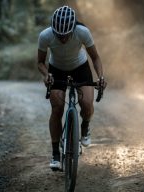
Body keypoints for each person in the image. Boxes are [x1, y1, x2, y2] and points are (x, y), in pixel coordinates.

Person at [37, 5, 106, 170]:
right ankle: (55, 154)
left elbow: (95, 58)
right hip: (56, 69)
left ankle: (85, 126)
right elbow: (40, 62)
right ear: (53, 30)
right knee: (57, 108)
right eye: (58, 35)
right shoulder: (45, 35)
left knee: (87, 104)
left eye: (66, 35)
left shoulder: (82, 32)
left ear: (72, 29)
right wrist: (47, 75)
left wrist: (100, 77)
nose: (62, 39)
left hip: (80, 67)